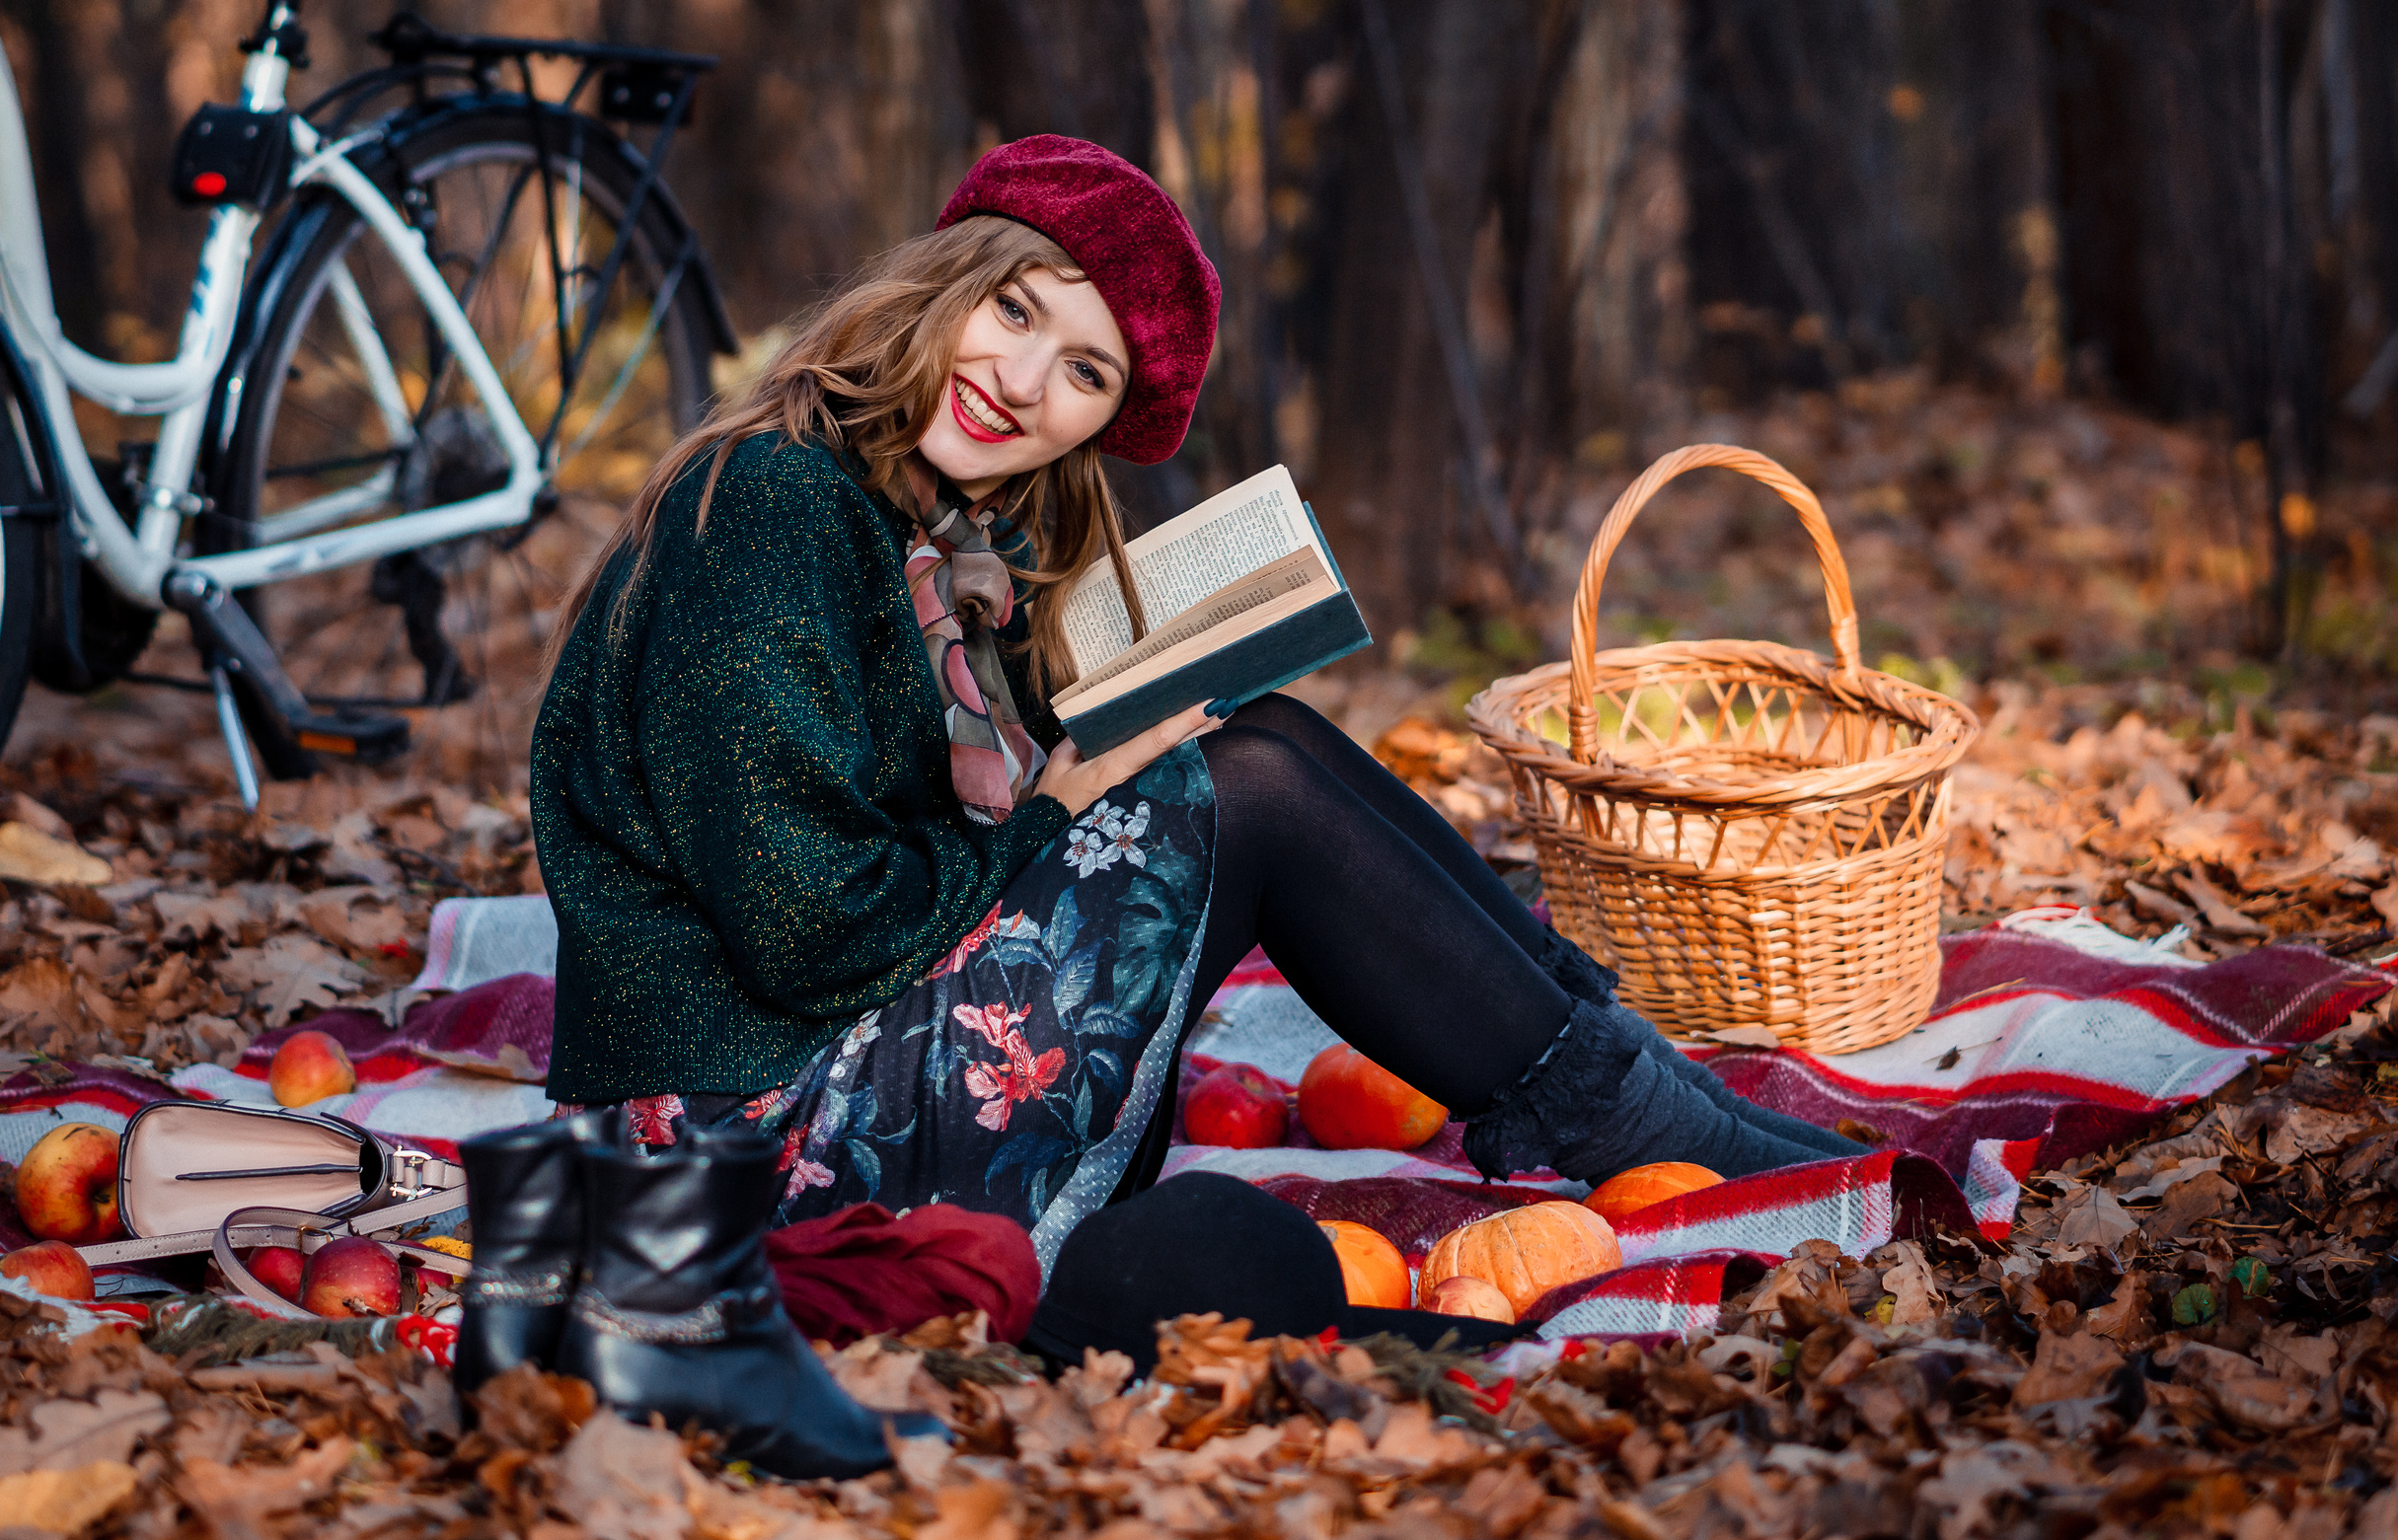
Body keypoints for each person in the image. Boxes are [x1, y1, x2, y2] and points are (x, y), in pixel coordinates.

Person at [526, 135, 1857, 1276]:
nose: (1027, 381)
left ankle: (1636, 1087)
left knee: (1258, 739)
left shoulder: (919, 534)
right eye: (1017, 313)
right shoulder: (770, 505)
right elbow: (811, 926)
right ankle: (1632, 1118)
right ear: (943, 287)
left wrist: (1083, 723)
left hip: (846, 1079)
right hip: (752, 1156)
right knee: (1255, 790)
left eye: (1087, 374)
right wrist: (1052, 804)